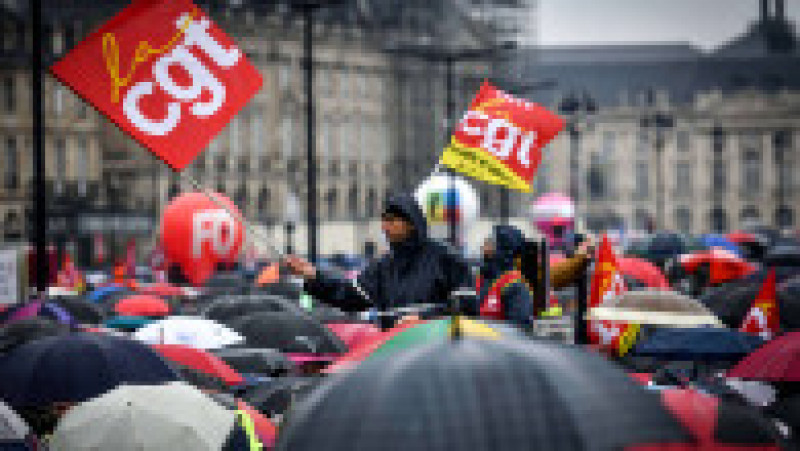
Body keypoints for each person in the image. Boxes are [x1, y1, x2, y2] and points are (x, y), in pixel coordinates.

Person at [284, 193, 472, 324]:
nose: (384, 227)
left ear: (411, 223)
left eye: (391, 220)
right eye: (383, 220)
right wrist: (312, 276)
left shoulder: (446, 259)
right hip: (395, 358)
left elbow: (467, 307)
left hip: (436, 357)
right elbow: (349, 295)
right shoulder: (383, 267)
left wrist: (425, 318)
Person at [473, 225, 534, 328]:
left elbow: (519, 330)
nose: (483, 247)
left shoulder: (516, 285)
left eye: (488, 242)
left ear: (501, 249)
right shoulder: (484, 277)